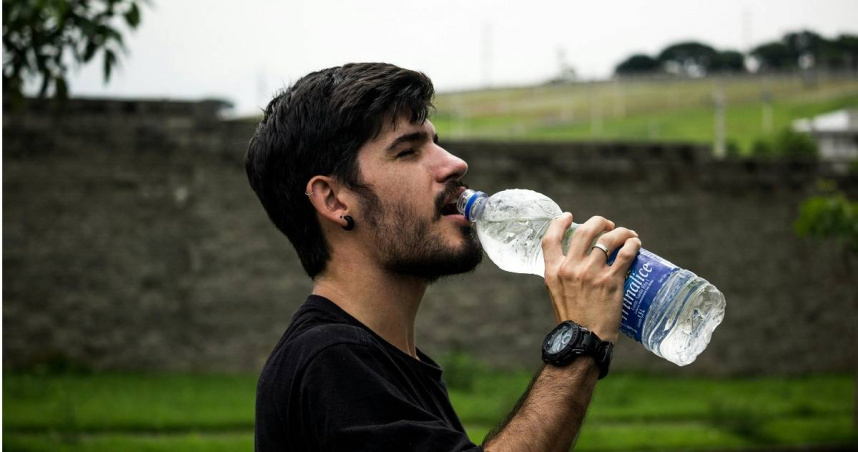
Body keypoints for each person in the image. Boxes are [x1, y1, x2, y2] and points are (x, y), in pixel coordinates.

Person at [245, 62, 641, 451]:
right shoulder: (330, 359)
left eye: (436, 142)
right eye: (407, 151)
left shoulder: (385, 359)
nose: (455, 163)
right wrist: (580, 342)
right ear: (334, 200)